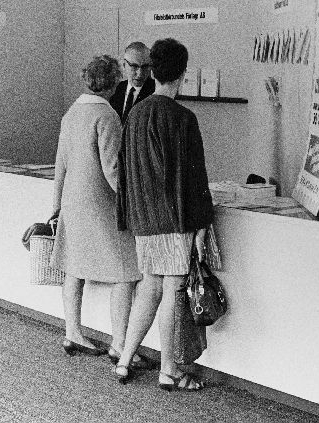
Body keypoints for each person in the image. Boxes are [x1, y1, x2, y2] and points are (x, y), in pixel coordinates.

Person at [114, 38, 214, 391]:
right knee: (172, 290)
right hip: (173, 219)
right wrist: (202, 225)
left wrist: (128, 216)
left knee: (149, 288)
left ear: (152, 71)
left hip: (143, 218)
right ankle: (168, 369)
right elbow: (195, 179)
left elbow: (124, 172)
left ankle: (124, 359)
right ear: (183, 73)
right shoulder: (183, 118)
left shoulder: (135, 114)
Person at [51, 56, 146, 366]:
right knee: (127, 271)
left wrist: (56, 206)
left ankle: (73, 332)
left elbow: (60, 164)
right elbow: (112, 169)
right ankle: (119, 343)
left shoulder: (71, 113)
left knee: (74, 267)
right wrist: (135, 199)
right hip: (100, 204)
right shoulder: (106, 115)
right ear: (114, 82)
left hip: (72, 202)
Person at [109, 41, 155, 124]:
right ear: (124, 65)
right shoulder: (114, 89)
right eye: (134, 66)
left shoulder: (155, 92)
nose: (140, 74)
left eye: (145, 67)